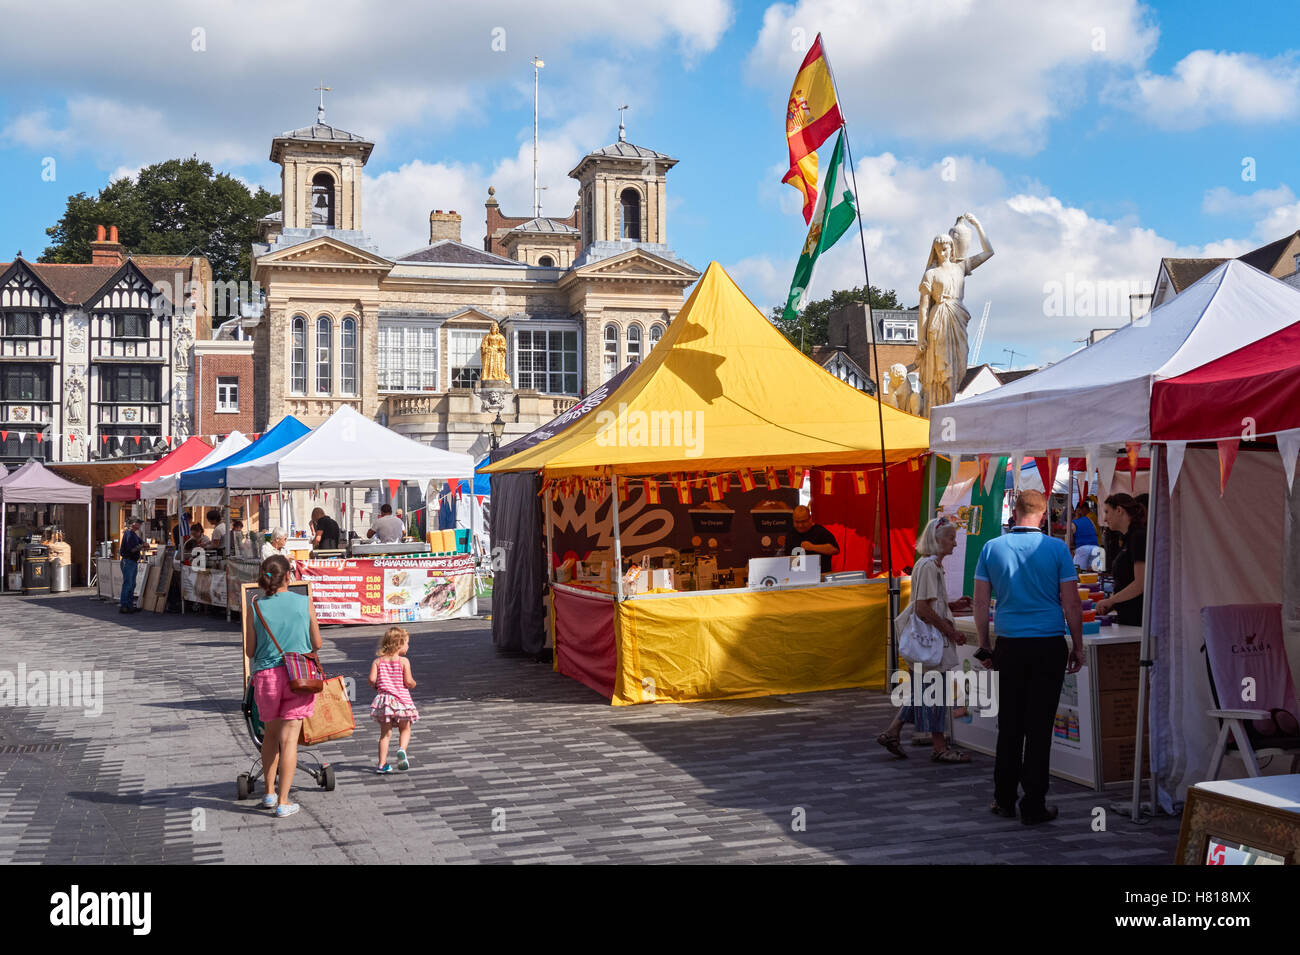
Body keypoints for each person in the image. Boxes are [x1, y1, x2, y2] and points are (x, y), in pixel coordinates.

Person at [973, 489, 1083, 825]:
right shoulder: (1056, 548)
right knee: (1039, 726)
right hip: (1048, 642)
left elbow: (980, 603)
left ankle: (1003, 798)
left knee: (1010, 723)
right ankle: (1033, 802)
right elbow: (1071, 603)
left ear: (1015, 511)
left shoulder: (992, 548)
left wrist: (984, 644)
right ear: (1044, 511)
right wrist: (1077, 645)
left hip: (1010, 642)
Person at [877, 518, 973, 762]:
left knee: (923, 690)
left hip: (923, 641)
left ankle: (892, 732)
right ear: (937, 540)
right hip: (930, 642)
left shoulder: (927, 565)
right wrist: (951, 632)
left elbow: (928, 603)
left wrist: (952, 604)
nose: (954, 542)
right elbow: (922, 608)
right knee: (935, 692)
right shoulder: (930, 567)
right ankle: (939, 748)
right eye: (951, 537)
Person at [245, 555, 322, 817]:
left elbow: (250, 650)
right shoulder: (304, 602)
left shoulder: (255, 605)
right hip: (297, 675)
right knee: (290, 741)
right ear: (289, 575)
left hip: (266, 677)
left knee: (270, 736)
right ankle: (284, 801)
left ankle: (268, 793)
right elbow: (317, 643)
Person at [369, 627, 419, 774]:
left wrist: (378, 686)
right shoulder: (404, 661)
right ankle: (402, 749)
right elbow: (408, 681)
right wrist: (414, 684)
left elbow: (372, 680)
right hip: (402, 702)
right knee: (405, 728)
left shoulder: (377, 662)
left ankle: (381, 764)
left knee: (385, 735)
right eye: (407, 643)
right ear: (399, 644)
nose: (408, 646)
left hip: (384, 702)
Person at [1095, 494, 1146, 626]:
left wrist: (1111, 601)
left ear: (1119, 510)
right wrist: (1112, 603)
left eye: (1107, 512)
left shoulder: (1138, 537)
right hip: (1127, 617)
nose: (1105, 519)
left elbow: (1141, 584)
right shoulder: (1127, 539)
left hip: (1138, 619)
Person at [791, 505, 839, 574]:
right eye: (797, 522)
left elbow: (835, 550)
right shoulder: (791, 533)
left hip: (821, 576)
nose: (800, 525)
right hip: (797, 576)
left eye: (803, 521)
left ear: (810, 519)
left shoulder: (820, 532)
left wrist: (813, 547)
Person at [119, 518, 145, 613]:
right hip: (128, 561)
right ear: (133, 524)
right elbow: (132, 550)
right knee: (128, 584)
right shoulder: (129, 534)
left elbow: (141, 542)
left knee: (132, 584)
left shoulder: (133, 534)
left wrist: (143, 544)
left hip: (132, 561)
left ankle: (129, 605)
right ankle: (124, 605)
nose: (140, 525)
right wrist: (141, 546)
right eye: (139, 523)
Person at [1065, 502, 1100, 572]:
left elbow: (1069, 541)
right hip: (1096, 548)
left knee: (1078, 573)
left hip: (1083, 549)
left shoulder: (1073, 524)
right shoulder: (1089, 519)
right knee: (1096, 576)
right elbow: (1096, 532)